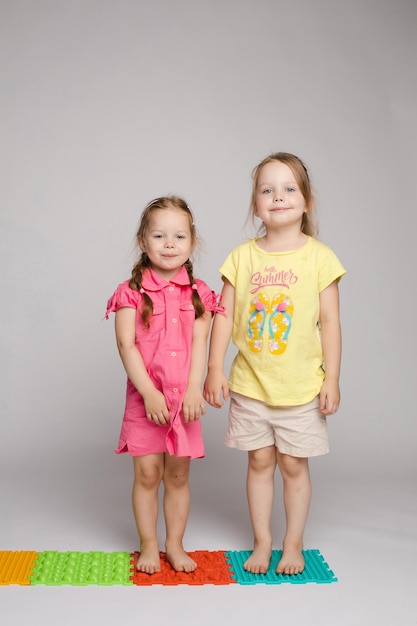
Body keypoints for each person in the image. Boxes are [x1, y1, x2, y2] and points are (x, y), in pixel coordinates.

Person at [204, 152, 345, 576]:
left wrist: (332, 378)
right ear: (255, 204)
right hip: (250, 384)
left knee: (292, 465)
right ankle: (262, 542)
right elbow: (223, 316)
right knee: (260, 462)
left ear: (306, 202)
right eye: (267, 190)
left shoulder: (319, 258)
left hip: (301, 386)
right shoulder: (242, 257)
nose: (277, 197)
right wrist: (214, 368)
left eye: (288, 189)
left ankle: (293, 543)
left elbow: (331, 322)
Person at [106, 196, 220, 575]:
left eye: (179, 236)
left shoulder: (200, 294)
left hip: (183, 400)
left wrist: (193, 389)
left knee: (177, 475)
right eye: (159, 235)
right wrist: (150, 392)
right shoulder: (130, 292)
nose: (169, 244)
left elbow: (201, 345)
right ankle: (149, 544)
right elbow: (127, 346)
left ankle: (175, 543)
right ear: (143, 240)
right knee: (147, 474)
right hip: (146, 401)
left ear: (192, 241)